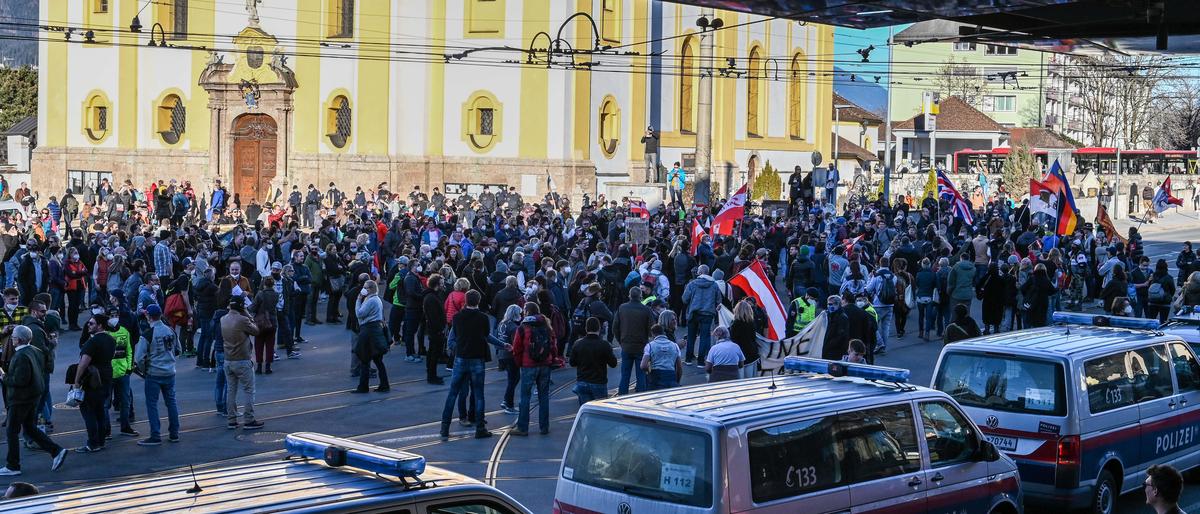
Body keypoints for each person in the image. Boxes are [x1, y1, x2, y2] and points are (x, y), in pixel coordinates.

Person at [0, 325, 68, 476]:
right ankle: (56, 450)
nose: (12, 340)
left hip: (20, 399)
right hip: (33, 396)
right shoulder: (35, 351)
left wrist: (4, 377)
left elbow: (20, 380)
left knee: (12, 431)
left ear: (19, 339)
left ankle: (13, 465)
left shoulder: (21, 356)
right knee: (30, 428)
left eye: (13, 337)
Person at [440, 289, 491, 439]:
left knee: (453, 393)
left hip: (461, 357)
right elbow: (486, 335)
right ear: (478, 301)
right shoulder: (483, 318)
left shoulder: (457, 317)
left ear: (466, 301)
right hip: (477, 358)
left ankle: (444, 428)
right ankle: (480, 427)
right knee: (479, 394)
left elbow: (454, 335)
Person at [133, 305, 181, 446]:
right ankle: (174, 433)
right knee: (171, 402)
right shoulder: (170, 330)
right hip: (169, 371)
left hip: (154, 372)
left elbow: (139, 358)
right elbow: (178, 349)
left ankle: (155, 434)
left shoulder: (148, 334)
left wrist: (144, 370)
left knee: (152, 404)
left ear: (148, 316)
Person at [510, 302, 559, 436]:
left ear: (527, 312)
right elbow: (553, 345)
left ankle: (522, 427)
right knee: (544, 396)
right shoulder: (546, 326)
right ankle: (544, 426)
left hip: (528, 366)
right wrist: (552, 359)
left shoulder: (523, 327)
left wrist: (520, 363)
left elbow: (516, 348)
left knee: (525, 396)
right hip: (545, 365)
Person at [220, 298, 263, 430]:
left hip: (228, 359)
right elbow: (256, 331)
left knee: (231, 390)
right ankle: (249, 419)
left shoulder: (223, 319)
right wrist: (248, 314)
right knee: (249, 390)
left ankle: (231, 419)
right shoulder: (243, 320)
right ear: (241, 307)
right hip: (242, 359)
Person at [612, 287, 653, 395]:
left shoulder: (622, 308)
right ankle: (641, 397)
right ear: (641, 296)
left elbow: (615, 327)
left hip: (626, 345)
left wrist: (621, 340)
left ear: (629, 296)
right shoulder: (646, 310)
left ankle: (622, 396)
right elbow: (651, 329)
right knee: (641, 375)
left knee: (625, 375)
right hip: (641, 346)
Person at [353, 280, 391, 394]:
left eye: (365, 287)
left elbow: (359, 313)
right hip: (375, 331)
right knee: (378, 360)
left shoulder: (371, 300)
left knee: (365, 359)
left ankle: (363, 386)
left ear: (370, 289)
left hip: (369, 332)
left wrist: (358, 300)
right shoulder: (376, 299)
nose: (363, 289)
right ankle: (384, 384)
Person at [568, 317, 616, 404]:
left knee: (586, 411)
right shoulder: (604, 344)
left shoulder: (578, 343)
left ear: (586, 328)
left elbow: (572, 362)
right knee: (600, 411)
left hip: (582, 381)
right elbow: (613, 363)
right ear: (599, 328)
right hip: (598, 382)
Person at [681, 265, 720, 364]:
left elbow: (684, 299)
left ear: (699, 272)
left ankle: (688, 359)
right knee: (704, 337)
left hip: (694, 313)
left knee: (691, 336)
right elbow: (718, 300)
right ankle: (701, 361)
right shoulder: (714, 285)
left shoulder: (692, 284)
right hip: (708, 313)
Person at [493, 304, 523, 414]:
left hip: (502, 354)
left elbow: (497, 337)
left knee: (512, 379)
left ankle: (507, 400)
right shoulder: (514, 327)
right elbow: (516, 343)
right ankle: (508, 403)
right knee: (514, 379)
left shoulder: (502, 323)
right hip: (510, 355)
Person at [640, 323, 682, 390]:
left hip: (656, 377)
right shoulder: (675, 346)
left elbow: (643, 366)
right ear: (663, 332)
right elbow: (679, 367)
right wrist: (677, 381)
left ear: (653, 334)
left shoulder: (650, 346)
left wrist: (648, 373)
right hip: (671, 375)